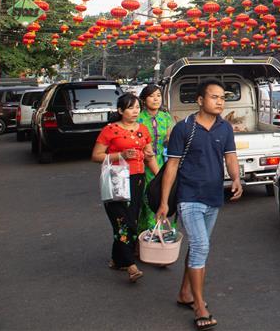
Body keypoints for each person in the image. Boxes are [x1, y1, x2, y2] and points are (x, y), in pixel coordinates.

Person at [156, 80, 242, 330]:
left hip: (214, 196)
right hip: (189, 196)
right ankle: (200, 305)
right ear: (200, 100)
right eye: (214, 97)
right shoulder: (184, 128)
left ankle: (185, 292)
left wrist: (236, 178)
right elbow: (171, 166)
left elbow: (231, 156)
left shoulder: (225, 128)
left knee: (197, 248)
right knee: (201, 246)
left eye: (222, 98)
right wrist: (163, 202)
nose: (219, 101)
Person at [92, 93, 159, 282]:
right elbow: (96, 156)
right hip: (116, 181)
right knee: (123, 223)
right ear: (121, 111)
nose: (135, 111)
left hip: (137, 180)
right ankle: (131, 266)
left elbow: (149, 156)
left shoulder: (143, 130)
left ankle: (116, 259)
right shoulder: (110, 130)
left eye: (137, 107)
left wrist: (160, 177)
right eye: (131, 108)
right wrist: (119, 155)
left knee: (131, 221)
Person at [137, 83, 174, 233]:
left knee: (160, 198)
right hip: (142, 163)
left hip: (162, 161)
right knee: (146, 201)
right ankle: (146, 237)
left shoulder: (166, 117)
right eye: (151, 96)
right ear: (144, 100)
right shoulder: (138, 118)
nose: (156, 99)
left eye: (158, 96)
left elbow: (170, 139)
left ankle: (150, 237)